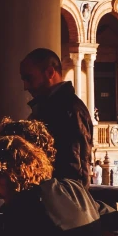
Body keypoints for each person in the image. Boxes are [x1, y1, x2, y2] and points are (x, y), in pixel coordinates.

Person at [20, 47, 94, 186]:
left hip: (60, 200)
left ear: (49, 73)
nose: (25, 86)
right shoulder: (51, 107)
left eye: (29, 78)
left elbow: (74, 169)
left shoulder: (70, 110)